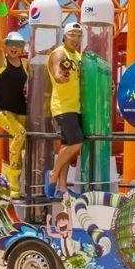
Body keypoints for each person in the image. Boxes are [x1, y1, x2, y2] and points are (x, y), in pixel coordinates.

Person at [45, 22, 83, 204]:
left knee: (67, 149)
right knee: (76, 144)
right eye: (72, 35)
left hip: (75, 107)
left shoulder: (78, 56)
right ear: (64, 36)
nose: (76, 39)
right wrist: (60, 76)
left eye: (78, 35)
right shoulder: (59, 53)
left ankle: (62, 189)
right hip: (62, 107)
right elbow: (57, 73)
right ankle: (52, 174)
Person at [0, 31, 29, 197]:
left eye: (19, 45)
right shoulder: (1, 61)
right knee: (20, 134)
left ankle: (15, 181)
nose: (14, 48)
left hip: (21, 110)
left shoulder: (25, 63)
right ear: (5, 46)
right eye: (11, 44)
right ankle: (13, 179)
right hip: (0, 109)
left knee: (26, 144)